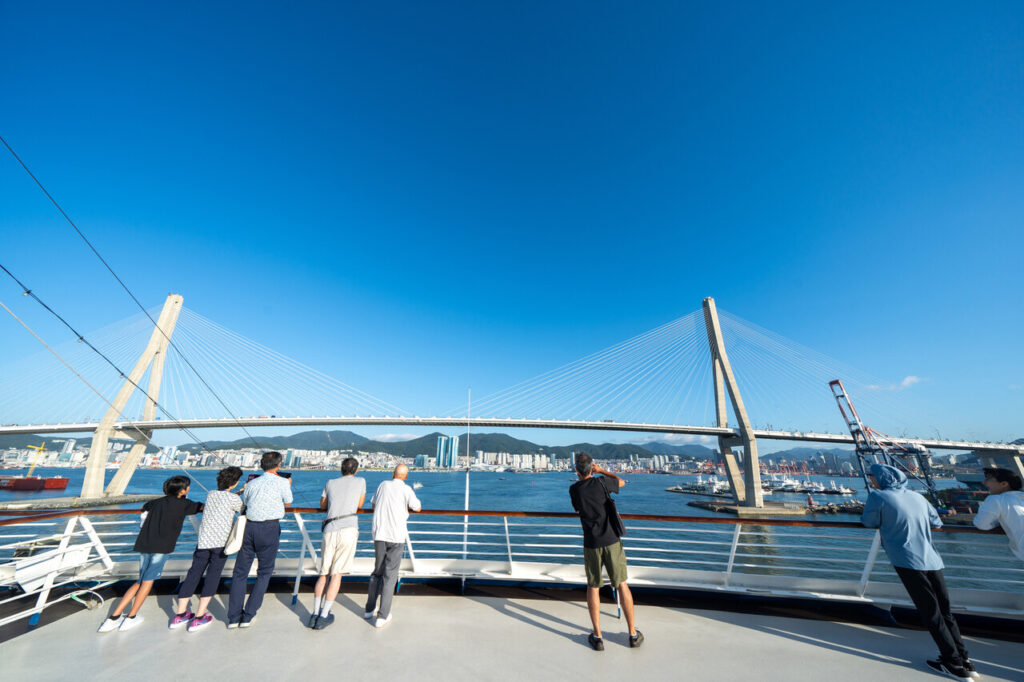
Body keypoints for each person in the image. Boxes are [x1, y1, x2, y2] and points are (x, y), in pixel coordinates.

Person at [861, 463, 975, 681]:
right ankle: (965, 659)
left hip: (907, 560)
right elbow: (937, 523)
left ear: (883, 478)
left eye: (872, 476)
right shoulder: (918, 497)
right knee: (945, 611)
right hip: (932, 559)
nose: (871, 480)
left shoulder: (878, 497)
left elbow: (869, 522)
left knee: (931, 613)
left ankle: (953, 664)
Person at [98, 475, 203, 633]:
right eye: (187, 487)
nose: (188, 488)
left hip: (144, 544)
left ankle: (113, 617)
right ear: (183, 491)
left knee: (139, 581)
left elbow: (145, 507)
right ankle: (131, 617)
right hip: (161, 548)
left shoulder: (156, 502)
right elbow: (201, 507)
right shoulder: (184, 504)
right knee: (147, 582)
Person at [569, 452, 642, 651]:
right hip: (611, 540)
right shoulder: (603, 482)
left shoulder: (574, 489)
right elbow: (622, 482)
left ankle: (598, 636)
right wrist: (602, 471)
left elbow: (578, 508)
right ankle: (632, 634)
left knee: (593, 586)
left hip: (591, 543)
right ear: (592, 468)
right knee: (621, 585)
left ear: (577, 471)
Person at [172, 466, 244, 632]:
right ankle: (199, 616)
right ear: (234, 483)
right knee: (212, 577)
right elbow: (242, 509)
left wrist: (237, 492)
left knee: (193, 574)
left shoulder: (211, 494)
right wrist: (241, 494)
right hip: (219, 544)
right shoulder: (234, 499)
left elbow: (225, 498)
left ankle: (180, 614)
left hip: (203, 542)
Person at [227, 451, 293, 628]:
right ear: (279, 465)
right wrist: (288, 484)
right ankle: (248, 615)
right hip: (269, 529)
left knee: (240, 572)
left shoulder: (251, 483)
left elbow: (246, 502)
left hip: (250, 527)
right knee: (264, 572)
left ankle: (233, 617)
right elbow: (288, 501)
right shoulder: (282, 482)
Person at [308, 457, 366, 630]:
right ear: (356, 470)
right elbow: (360, 505)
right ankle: (325, 615)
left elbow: (323, 505)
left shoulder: (330, 482)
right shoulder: (361, 481)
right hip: (348, 528)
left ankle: (314, 614)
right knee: (337, 574)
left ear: (341, 469)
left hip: (330, 528)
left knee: (324, 573)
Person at [363, 463, 420, 628]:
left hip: (379, 534)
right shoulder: (407, 489)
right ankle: (382, 615)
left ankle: (369, 610)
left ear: (392, 474)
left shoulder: (383, 485)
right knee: (390, 575)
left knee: (377, 572)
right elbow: (417, 507)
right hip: (396, 536)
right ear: (406, 477)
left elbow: (373, 504)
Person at [973, 466, 1024, 561]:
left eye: (988, 479)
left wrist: (1000, 521)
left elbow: (981, 524)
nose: (983, 482)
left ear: (1004, 484)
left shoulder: (996, 499)